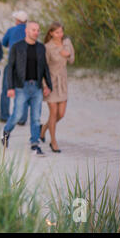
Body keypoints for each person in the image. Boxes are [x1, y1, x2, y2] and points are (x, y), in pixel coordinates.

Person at [1, 21, 52, 156]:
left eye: (38, 30)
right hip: (21, 87)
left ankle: (35, 144)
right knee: (17, 115)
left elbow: (45, 67)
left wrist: (48, 85)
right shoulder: (17, 47)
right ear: (27, 31)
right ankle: (6, 132)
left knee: (36, 118)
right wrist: (10, 87)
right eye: (34, 30)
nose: (36, 32)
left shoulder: (41, 47)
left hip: (36, 87)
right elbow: (10, 68)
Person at [39, 22, 75, 153]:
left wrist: (68, 55)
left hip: (63, 82)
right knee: (53, 113)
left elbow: (72, 61)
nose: (60, 34)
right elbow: (44, 67)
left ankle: (43, 129)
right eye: (57, 32)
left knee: (61, 114)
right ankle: (53, 141)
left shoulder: (67, 43)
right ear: (51, 33)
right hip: (51, 83)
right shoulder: (47, 47)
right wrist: (44, 85)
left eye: (61, 32)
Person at [0, 11, 29, 125]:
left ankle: (4, 115)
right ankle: (22, 118)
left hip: (13, 63)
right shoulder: (29, 31)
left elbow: (4, 43)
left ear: (17, 20)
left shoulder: (11, 30)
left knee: (6, 88)